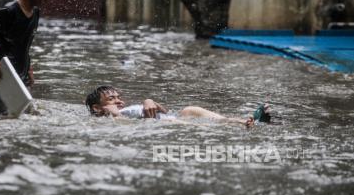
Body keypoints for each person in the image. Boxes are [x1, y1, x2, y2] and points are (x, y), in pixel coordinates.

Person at [85, 86, 271, 127]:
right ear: (96, 108)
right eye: (111, 99)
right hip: (164, 126)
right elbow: (126, 126)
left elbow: (165, 112)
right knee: (178, 122)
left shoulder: (123, 109)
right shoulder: (105, 121)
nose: (118, 101)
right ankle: (243, 126)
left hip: (167, 118)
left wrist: (150, 101)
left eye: (119, 97)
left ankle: (242, 121)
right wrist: (115, 115)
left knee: (190, 109)